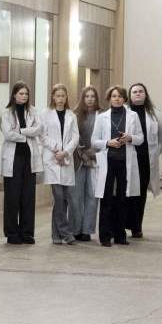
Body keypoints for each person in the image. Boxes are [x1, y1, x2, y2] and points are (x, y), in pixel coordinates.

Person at [91, 86, 142, 245]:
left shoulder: (133, 116)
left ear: (124, 99)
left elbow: (140, 138)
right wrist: (108, 142)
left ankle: (120, 235)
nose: (117, 99)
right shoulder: (102, 117)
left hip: (125, 162)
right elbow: (94, 141)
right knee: (106, 199)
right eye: (114, 96)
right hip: (108, 161)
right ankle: (105, 236)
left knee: (122, 198)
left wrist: (130, 137)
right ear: (109, 98)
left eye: (120, 96)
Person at [0, 82, 37, 244]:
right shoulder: (6, 113)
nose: (24, 96)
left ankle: (27, 233)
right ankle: (12, 233)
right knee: (12, 197)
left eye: (26, 94)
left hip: (29, 159)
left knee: (28, 197)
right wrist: (27, 135)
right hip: (13, 159)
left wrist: (20, 131)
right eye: (21, 93)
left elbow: (39, 129)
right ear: (14, 95)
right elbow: (8, 134)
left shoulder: (33, 111)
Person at [39, 84, 79, 245]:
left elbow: (75, 137)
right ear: (53, 97)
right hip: (52, 159)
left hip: (66, 159)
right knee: (59, 196)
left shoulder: (71, 115)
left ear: (66, 97)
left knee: (64, 200)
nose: (60, 99)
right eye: (58, 96)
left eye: (63, 96)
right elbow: (42, 136)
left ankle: (56, 235)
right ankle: (66, 233)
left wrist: (65, 152)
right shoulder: (45, 114)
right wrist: (57, 150)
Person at [126, 84, 162, 239]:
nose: (138, 94)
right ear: (130, 95)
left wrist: (156, 152)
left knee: (140, 194)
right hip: (127, 158)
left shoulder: (155, 114)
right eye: (134, 92)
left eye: (141, 91)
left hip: (145, 160)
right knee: (126, 193)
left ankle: (136, 227)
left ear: (145, 94)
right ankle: (123, 224)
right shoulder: (125, 111)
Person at [70, 86, 100, 243]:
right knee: (76, 196)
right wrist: (83, 153)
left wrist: (93, 152)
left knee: (92, 196)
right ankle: (75, 229)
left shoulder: (101, 115)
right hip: (78, 160)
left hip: (95, 160)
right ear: (82, 98)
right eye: (87, 96)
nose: (90, 99)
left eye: (92, 96)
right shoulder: (74, 115)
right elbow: (72, 137)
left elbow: (104, 136)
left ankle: (87, 230)